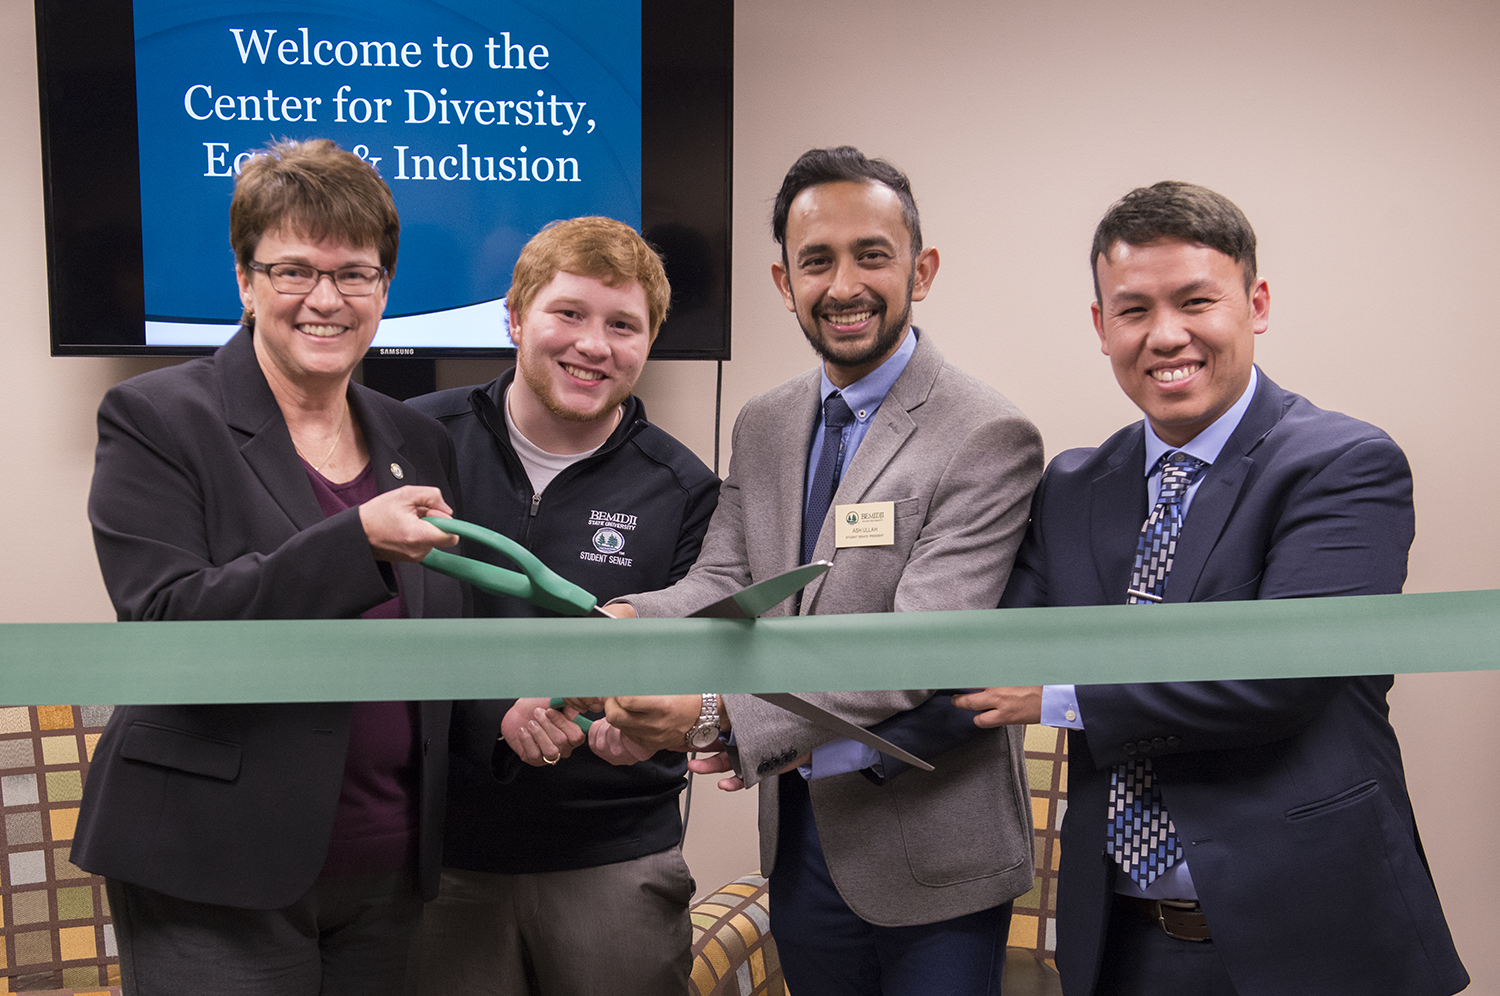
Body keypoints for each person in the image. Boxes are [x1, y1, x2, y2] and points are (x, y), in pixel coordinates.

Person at [952, 181, 1468, 996]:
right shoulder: (1076, 485)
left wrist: (1057, 693)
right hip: (1120, 940)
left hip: (1313, 935)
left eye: (1196, 300)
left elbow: (1279, 677)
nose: (1166, 335)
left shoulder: (1342, 465)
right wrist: (787, 719)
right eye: (1133, 310)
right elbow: (987, 653)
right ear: (1100, 327)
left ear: (1255, 304)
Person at [594, 146, 1045, 995]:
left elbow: (919, 648)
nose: (844, 285)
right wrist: (620, 626)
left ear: (923, 267)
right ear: (782, 281)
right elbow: (721, 584)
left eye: (872, 254)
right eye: (817, 261)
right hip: (802, 847)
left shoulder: (987, 433)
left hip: (934, 861)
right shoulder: (766, 423)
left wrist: (717, 713)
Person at [73, 138, 466, 995]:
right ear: (246, 283)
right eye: (293, 270)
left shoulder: (418, 439)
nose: (325, 299)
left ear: (384, 290)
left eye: (355, 273)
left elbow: (442, 645)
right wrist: (352, 541)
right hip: (210, 866)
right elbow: (168, 622)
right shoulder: (156, 418)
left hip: (388, 868)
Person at [406, 216, 719, 995]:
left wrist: (646, 727)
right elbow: (380, 628)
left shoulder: (684, 490)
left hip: (615, 857)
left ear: (648, 344)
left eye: (623, 325)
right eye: (569, 314)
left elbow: (698, 655)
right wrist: (493, 720)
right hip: (443, 856)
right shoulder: (416, 442)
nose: (594, 344)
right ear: (515, 316)